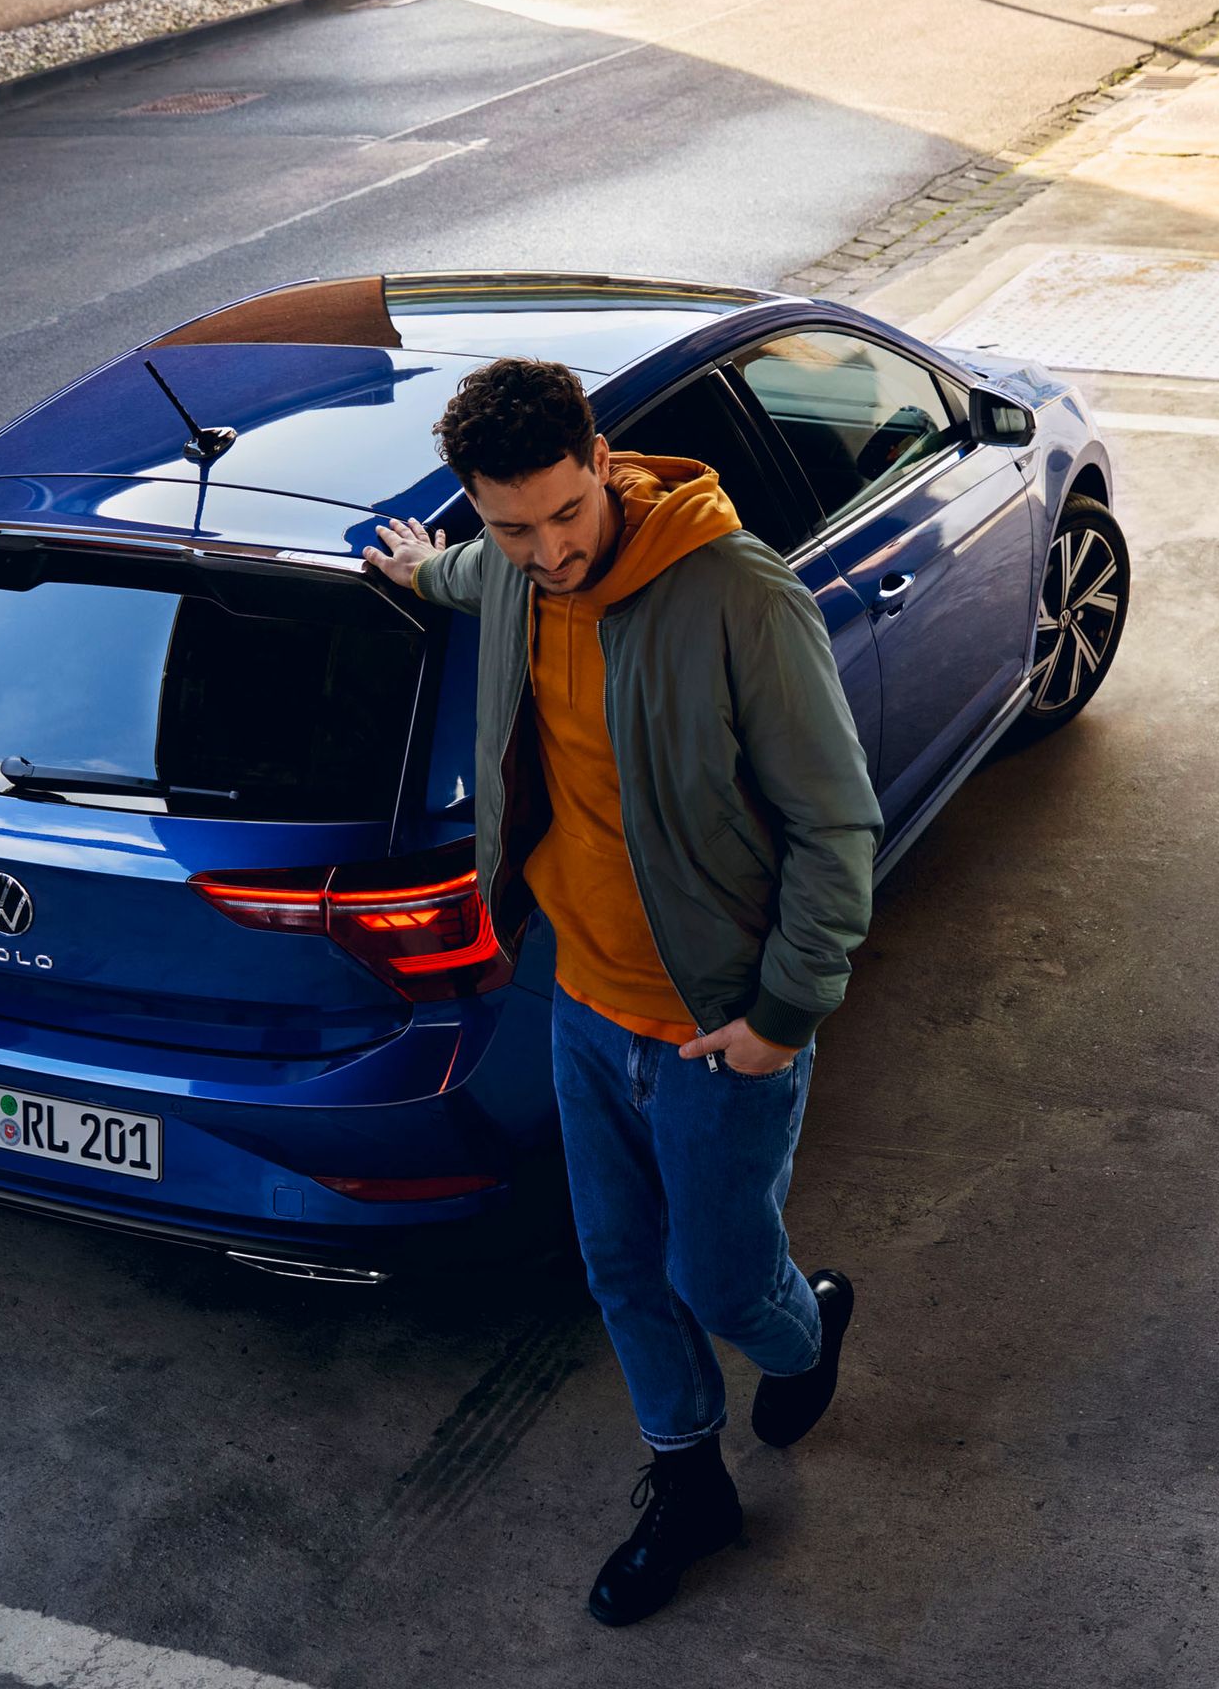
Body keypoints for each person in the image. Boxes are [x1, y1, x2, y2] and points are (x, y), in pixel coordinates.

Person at [363, 357, 883, 1628]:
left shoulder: (736, 596)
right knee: (619, 1269)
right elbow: (468, 577)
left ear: (603, 462)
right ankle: (689, 1484)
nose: (546, 551)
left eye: (562, 515)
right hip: (585, 1005)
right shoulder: (513, 571)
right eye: (509, 526)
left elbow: (836, 826)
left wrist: (780, 1018)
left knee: (721, 1281)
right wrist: (415, 568)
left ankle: (806, 1323)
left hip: (719, 1029)